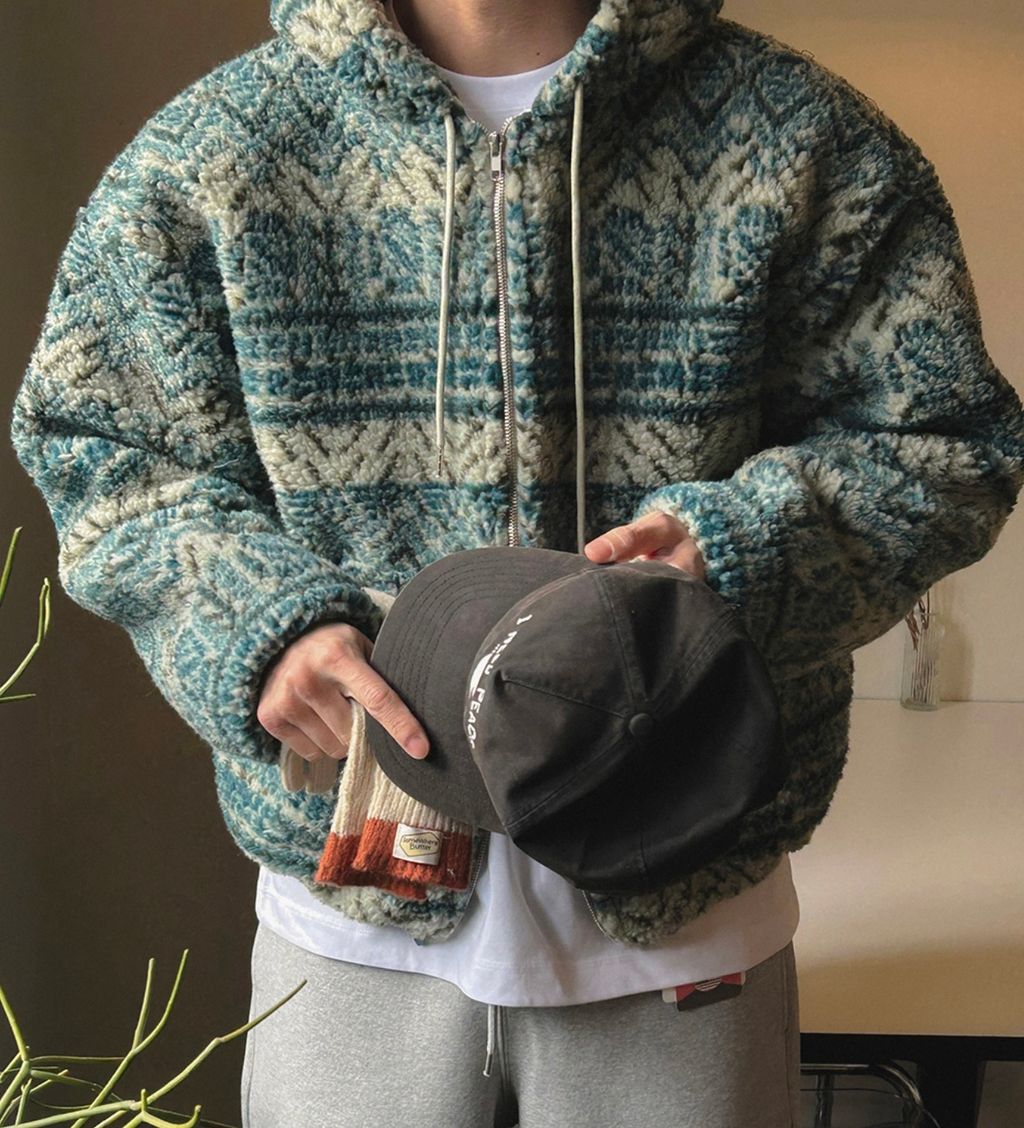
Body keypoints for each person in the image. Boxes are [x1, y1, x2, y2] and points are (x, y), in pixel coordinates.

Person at [9, 0, 1023, 1125]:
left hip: (685, 914)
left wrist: (740, 551)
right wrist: (257, 623)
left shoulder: (802, 138)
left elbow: (947, 443)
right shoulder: (214, 153)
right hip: (349, 912)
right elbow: (102, 446)